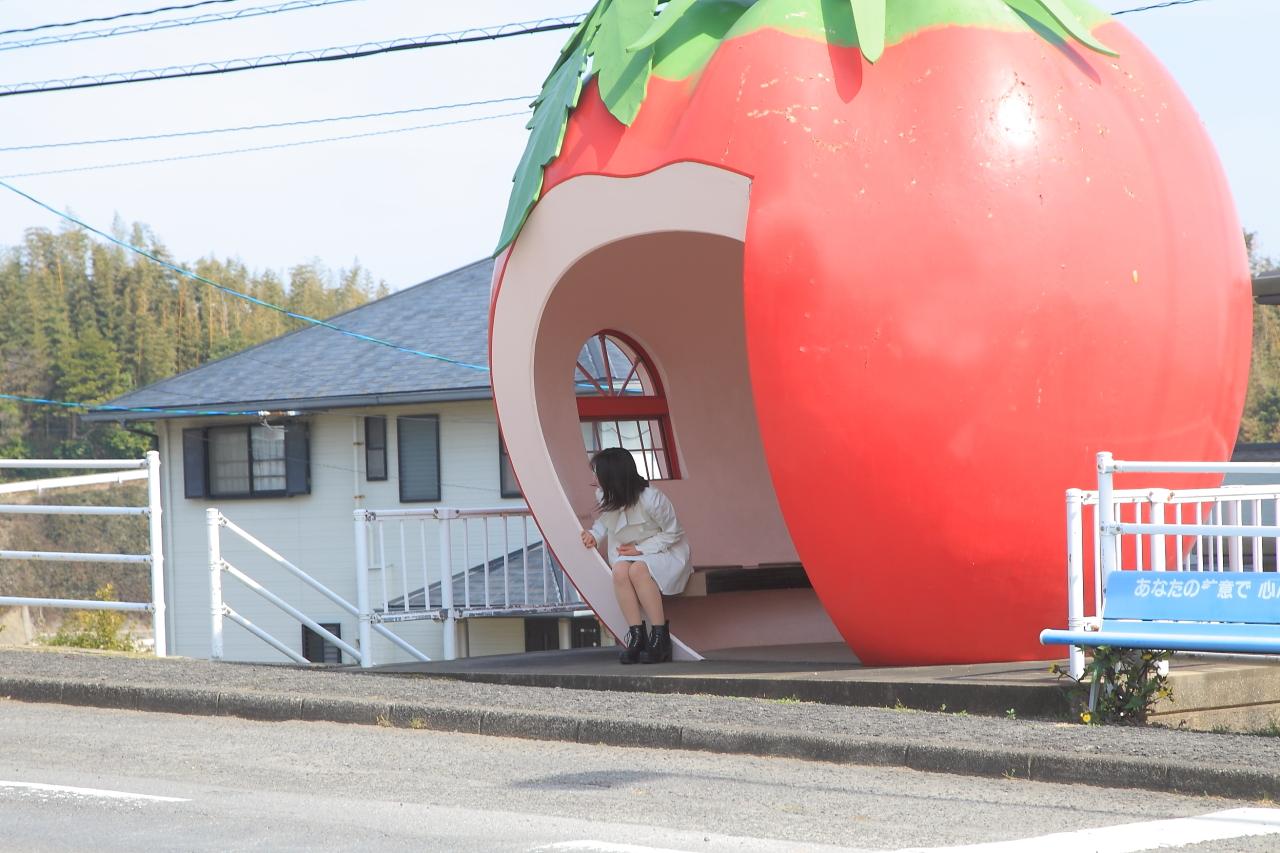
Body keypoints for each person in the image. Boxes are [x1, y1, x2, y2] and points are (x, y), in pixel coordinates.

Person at [580, 447, 692, 664]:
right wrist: (594, 535)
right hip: (630, 552)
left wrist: (641, 550)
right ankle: (637, 637)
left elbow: (673, 533)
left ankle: (660, 639)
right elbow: (606, 521)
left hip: (667, 551)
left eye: (597, 472)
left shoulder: (652, 499)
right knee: (620, 571)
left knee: (639, 569)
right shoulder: (604, 494)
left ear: (613, 475)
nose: (595, 478)